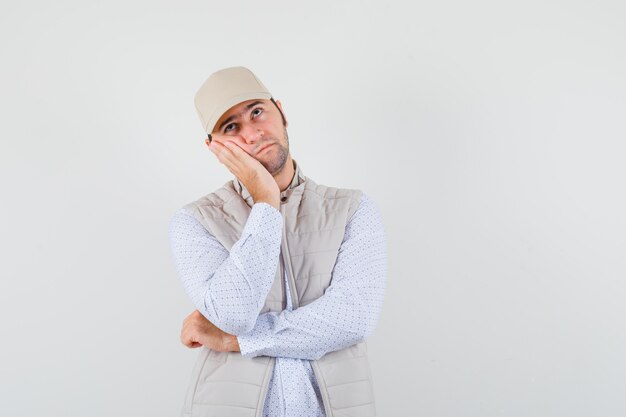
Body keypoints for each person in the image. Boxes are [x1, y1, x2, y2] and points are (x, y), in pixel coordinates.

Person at [168, 66, 387, 417]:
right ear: (214, 147)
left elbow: (353, 317)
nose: (253, 133)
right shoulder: (196, 221)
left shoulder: (352, 209)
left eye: (257, 111)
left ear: (281, 111)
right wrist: (265, 203)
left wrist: (237, 341)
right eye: (231, 127)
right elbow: (234, 314)